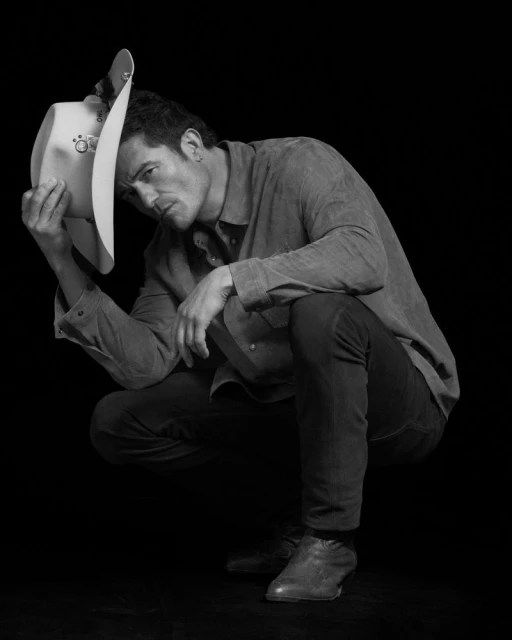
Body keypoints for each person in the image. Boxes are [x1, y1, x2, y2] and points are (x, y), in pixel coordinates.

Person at [22, 88, 459, 603]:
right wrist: (61, 259)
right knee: (119, 419)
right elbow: (144, 365)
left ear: (191, 145)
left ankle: (330, 540)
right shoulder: (167, 251)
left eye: (148, 173)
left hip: (397, 410)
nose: (146, 201)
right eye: (129, 194)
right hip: (290, 411)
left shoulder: (300, 163)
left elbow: (362, 256)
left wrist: (232, 278)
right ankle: (293, 524)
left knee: (320, 311)